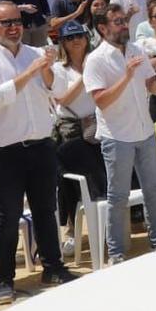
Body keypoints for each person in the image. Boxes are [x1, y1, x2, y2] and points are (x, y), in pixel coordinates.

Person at [0, 1, 77, 303]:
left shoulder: (37, 54)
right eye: (5, 23)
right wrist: (30, 72)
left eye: (17, 21)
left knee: (45, 210)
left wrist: (49, 72)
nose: (14, 27)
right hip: (2, 151)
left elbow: (57, 92)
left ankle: (53, 267)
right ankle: (4, 279)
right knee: (8, 215)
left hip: (39, 145)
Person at [83, 2, 156, 261]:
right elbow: (101, 100)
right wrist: (126, 74)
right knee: (118, 196)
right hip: (117, 136)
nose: (124, 26)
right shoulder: (95, 60)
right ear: (102, 28)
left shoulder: (136, 50)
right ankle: (117, 252)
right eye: (118, 22)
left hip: (145, 130)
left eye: (124, 20)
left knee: (154, 188)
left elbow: (151, 88)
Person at [48, 19, 107, 246]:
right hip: (71, 128)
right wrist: (85, 78)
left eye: (79, 36)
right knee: (72, 182)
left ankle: (102, 225)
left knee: (99, 176)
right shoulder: (59, 69)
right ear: (62, 42)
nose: (76, 41)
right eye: (70, 38)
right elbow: (62, 98)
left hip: (97, 125)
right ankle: (72, 230)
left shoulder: (96, 61)